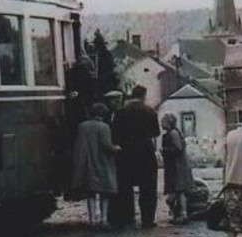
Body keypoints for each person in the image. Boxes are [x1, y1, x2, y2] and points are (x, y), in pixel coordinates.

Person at [110, 86, 161, 228]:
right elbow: (156, 132)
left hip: (125, 153)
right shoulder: (149, 111)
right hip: (145, 151)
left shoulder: (120, 112)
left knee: (125, 186)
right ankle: (147, 219)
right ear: (144, 96)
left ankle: (127, 217)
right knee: (148, 188)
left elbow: (114, 134)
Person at [68, 101, 121, 227]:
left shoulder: (82, 126)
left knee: (91, 193)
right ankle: (103, 219)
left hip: (87, 163)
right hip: (102, 163)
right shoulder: (104, 127)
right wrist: (117, 148)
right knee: (105, 193)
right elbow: (107, 146)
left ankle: (92, 220)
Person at [160, 112, 195, 224]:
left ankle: (182, 213)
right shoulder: (172, 133)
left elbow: (177, 148)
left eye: (163, 122)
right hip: (174, 165)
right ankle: (179, 213)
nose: (161, 124)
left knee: (179, 190)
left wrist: (164, 150)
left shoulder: (173, 133)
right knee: (176, 191)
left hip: (177, 166)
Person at [64, 55, 99, 123]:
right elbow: (93, 90)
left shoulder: (70, 73)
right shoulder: (90, 74)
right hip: (86, 102)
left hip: (74, 104)